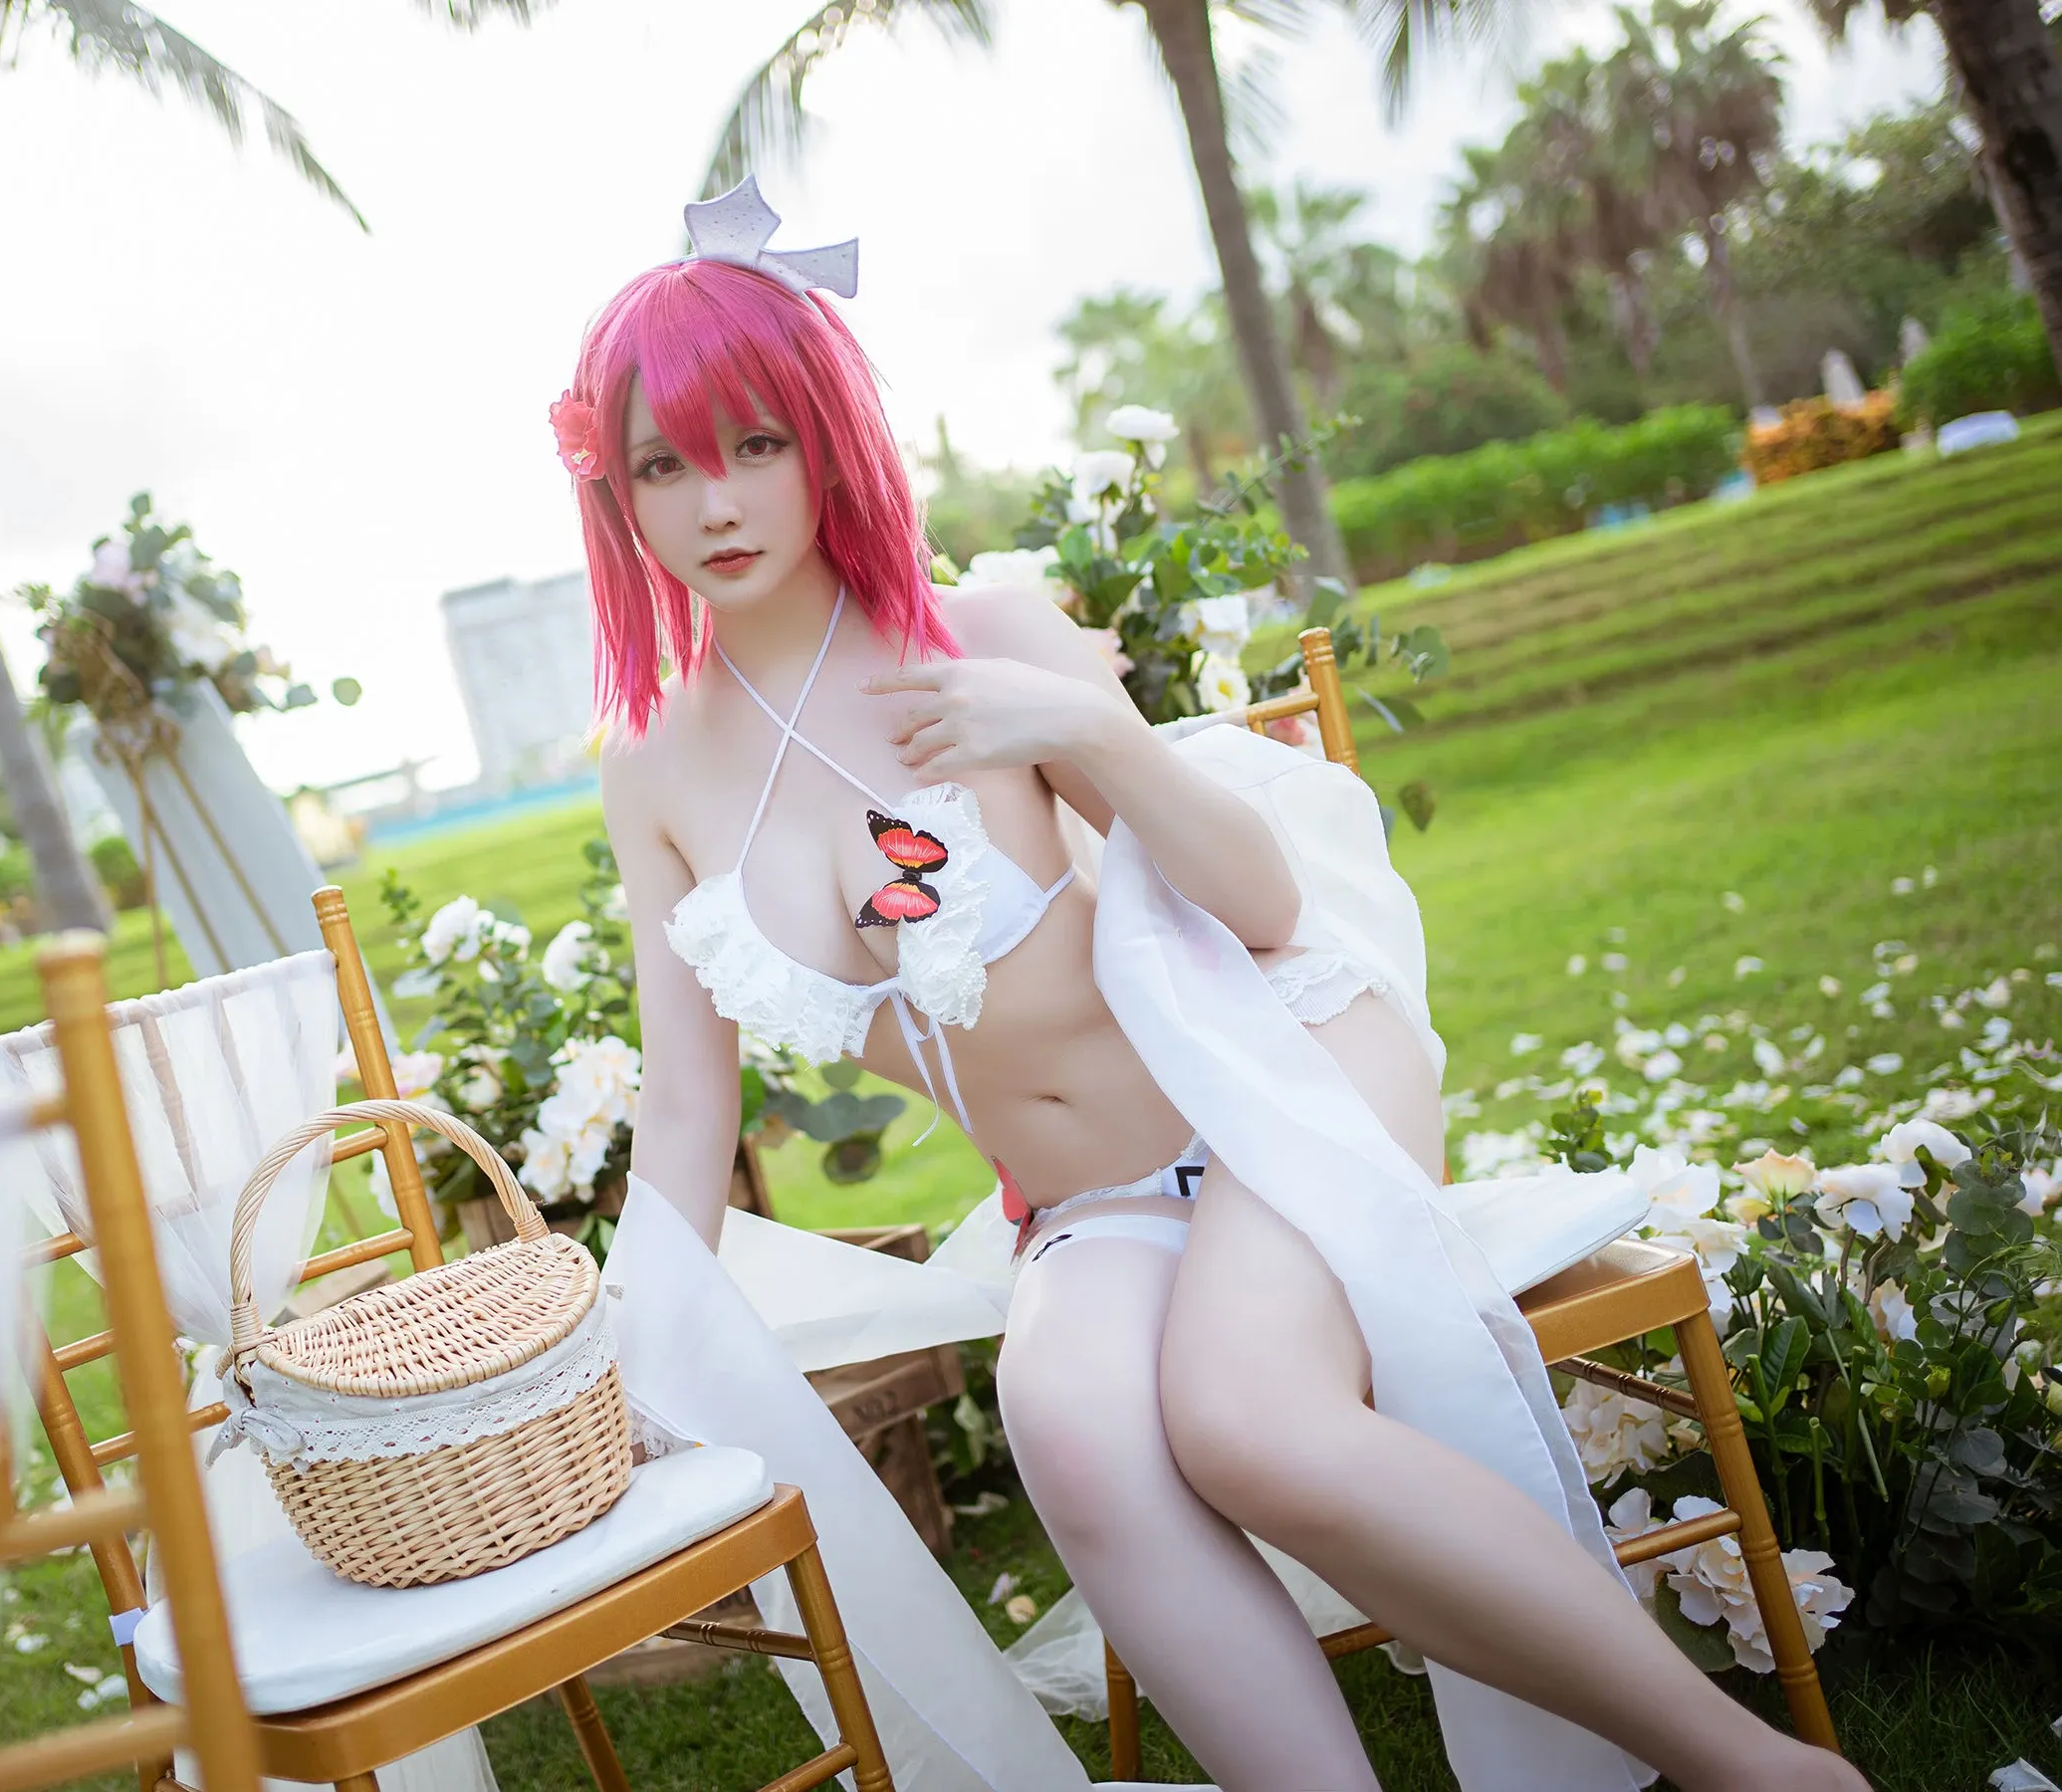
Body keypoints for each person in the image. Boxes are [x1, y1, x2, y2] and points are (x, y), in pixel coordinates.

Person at [572, 181, 1864, 1792]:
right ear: (613, 490)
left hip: (1276, 1068)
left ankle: (1752, 1770)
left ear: (825, 439)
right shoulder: (654, 766)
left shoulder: (976, 630)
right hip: (1089, 1203)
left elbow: (1263, 909)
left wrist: (1083, 728)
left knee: (1247, 1420)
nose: (715, 500)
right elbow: (686, 1105)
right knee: (1068, 1425)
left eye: (755, 443)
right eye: (665, 464)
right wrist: (626, 1351)